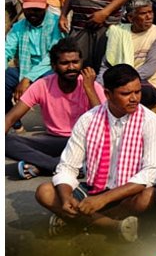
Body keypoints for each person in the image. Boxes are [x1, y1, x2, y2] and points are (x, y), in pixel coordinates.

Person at [35, 64, 156, 242]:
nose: (134, 98)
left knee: (149, 196)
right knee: (45, 191)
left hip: (126, 194)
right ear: (108, 94)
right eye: (126, 94)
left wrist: (104, 199)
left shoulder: (151, 121)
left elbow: (151, 172)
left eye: (138, 92)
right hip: (93, 191)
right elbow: (67, 167)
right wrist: (66, 199)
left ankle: (78, 221)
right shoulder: (88, 119)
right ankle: (112, 226)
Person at [5, 39, 103, 178]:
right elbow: (10, 118)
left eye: (75, 62)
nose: (71, 67)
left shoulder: (90, 85)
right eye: (64, 63)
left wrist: (89, 89)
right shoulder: (42, 85)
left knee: (107, 146)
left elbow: (104, 122)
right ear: (54, 65)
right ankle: (62, 166)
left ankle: (41, 166)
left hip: (84, 142)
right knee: (6, 142)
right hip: (53, 141)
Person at [99, 0, 156, 106]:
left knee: (122, 92)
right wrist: (98, 84)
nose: (149, 17)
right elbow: (106, 65)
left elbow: (148, 70)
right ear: (130, 18)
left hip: (151, 85)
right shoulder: (118, 32)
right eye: (143, 13)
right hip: (120, 82)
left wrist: (118, 82)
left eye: (150, 12)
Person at [5, 0, 62, 115]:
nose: (32, 13)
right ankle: (15, 124)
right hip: (26, 68)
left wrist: (27, 78)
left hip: (49, 68)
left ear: (46, 7)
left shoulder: (56, 24)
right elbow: (6, 50)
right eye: (29, 9)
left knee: (53, 79)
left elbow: (53, 56)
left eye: (37, 9)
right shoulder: (18, 27)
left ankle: (56, 124)